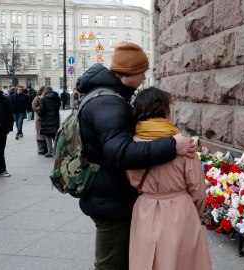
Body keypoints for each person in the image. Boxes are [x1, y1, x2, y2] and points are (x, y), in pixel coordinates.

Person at [76, 41, 195, 270]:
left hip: (108, 192)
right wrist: (172, 145)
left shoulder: (108, 96)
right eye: (142, 71)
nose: (144, 77)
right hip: (111, 198)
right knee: (111, 264)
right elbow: (120, 153)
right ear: (130, 72)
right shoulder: (108, 103)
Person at [126, 87, 211, 270]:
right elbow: (197, 189)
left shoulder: (130, 145)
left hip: (145, 208)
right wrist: (194, 214)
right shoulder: (182, 143)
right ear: (165, 111)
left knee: (146, 260)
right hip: (180, 209)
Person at [37, 87, 61, 158]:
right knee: (55, 136)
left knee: (48, 136)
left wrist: (39, 114)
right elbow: (58, 106)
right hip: (55, 118)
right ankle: (57, 150)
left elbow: (41, 110)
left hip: (46, 119)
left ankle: (50, 151)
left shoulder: (43, 99)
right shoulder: (57, 98)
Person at [32, 86, 48, 155]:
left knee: (46, 135)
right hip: (40, 118)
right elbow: (34, 107)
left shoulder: (47, 98)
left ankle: (47, 148)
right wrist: (41, 107)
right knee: (40, 134)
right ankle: (41, 149)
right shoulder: (37, 98)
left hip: (47, 118)